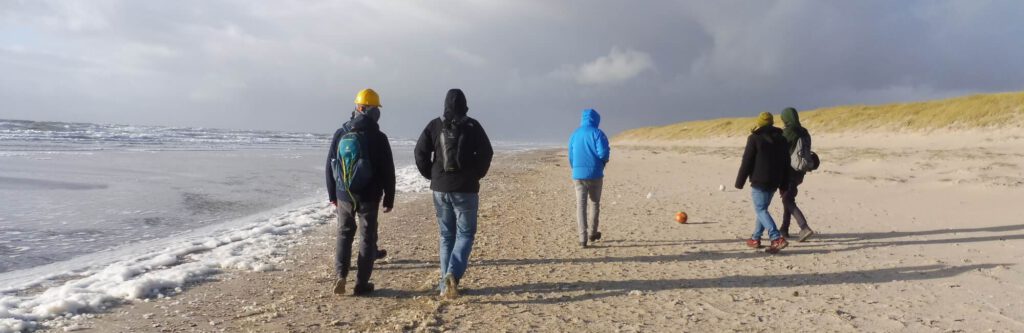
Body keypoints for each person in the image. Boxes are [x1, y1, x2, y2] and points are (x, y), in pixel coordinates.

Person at [414, 88, 493, 299]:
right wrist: (476, 174)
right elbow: (487, 152)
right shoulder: (472, 125)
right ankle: (452, 275)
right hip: (466, 188)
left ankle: (444, 286)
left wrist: (432, 175)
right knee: (465, 234)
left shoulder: (435, 125)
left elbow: (420, 152)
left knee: (447, 235)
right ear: (465, 105)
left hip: (440, 188)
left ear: (445, 104)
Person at [325, 88, 396, 296]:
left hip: (343, 193)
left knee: (344, 233)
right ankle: (361, 284)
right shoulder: (379, 137)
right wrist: (389, 198)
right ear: (374, 111)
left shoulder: (341, 132)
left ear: (357, 107)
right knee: (367, 237)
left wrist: (333, 194)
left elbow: (330, 165)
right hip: (369, 197)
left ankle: (341, 275)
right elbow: (387, 170)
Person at [735, 112, 790, 254]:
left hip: (759, 180)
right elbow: (786, 163)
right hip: (775, 181)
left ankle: (776, 238)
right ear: (771, 123)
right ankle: (755, 238)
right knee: (762, 209)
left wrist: (739, 182)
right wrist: (784, 184)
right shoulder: (782, 139)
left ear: (759, 123)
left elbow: (747, 161)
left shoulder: (754, 138)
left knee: (760, 210)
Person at [568, 109, 610, 248]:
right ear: (596, 120)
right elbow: (603, 153)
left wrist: (575, 168)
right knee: (594, 203)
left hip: (578, 175)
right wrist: (603, 162)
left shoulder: (574, 134)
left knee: (581, 205)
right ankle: (592, 233)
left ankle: (582, 238)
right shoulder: (598, 133)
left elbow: (571, 155)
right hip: (595, 174)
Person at [779, 107, 815, 241]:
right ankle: (784, 228)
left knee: (787, 199)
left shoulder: (788, 132)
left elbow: (782, 151)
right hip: (801, 170)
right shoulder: (805, 132)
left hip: (788, 170)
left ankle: (804, 227)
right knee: (788, 198)